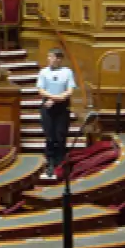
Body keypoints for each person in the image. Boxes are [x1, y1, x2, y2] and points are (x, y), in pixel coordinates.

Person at [36, 47, 78, 178]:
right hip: (47, 108)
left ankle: (61, 164)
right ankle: (50, 164)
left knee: (60, 137)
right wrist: (54, 98)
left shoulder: (67, 72)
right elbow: (41, 91)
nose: (49, 59)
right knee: (50, 137)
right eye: (48, 56)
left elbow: (70, 91)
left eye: (51, 56)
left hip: (62, 108)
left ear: (59, 59)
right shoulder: (43, 72)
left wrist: (55, 100)